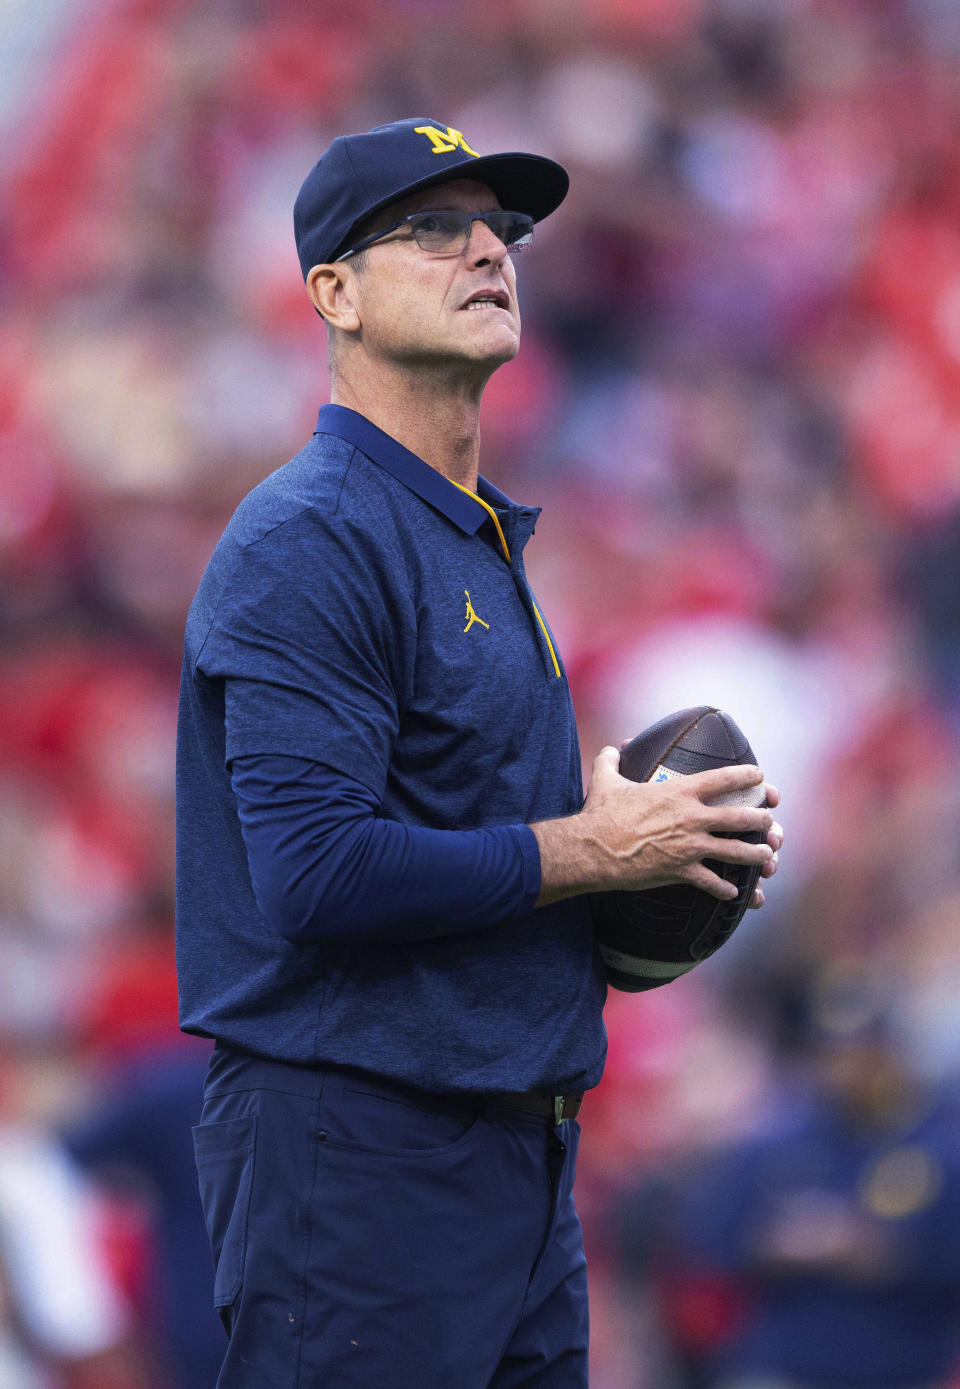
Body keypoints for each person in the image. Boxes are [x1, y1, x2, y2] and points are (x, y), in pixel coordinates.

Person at [175, 116, 782, 1388]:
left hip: (518, 1158)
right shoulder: (311, 536)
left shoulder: (471, 538)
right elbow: (318, 876)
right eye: (431, 228)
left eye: (500, 230)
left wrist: (652, 875)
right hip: (358, 1153)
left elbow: (485, 854)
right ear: (332, 293)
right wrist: (591, 847)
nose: (487, 251)